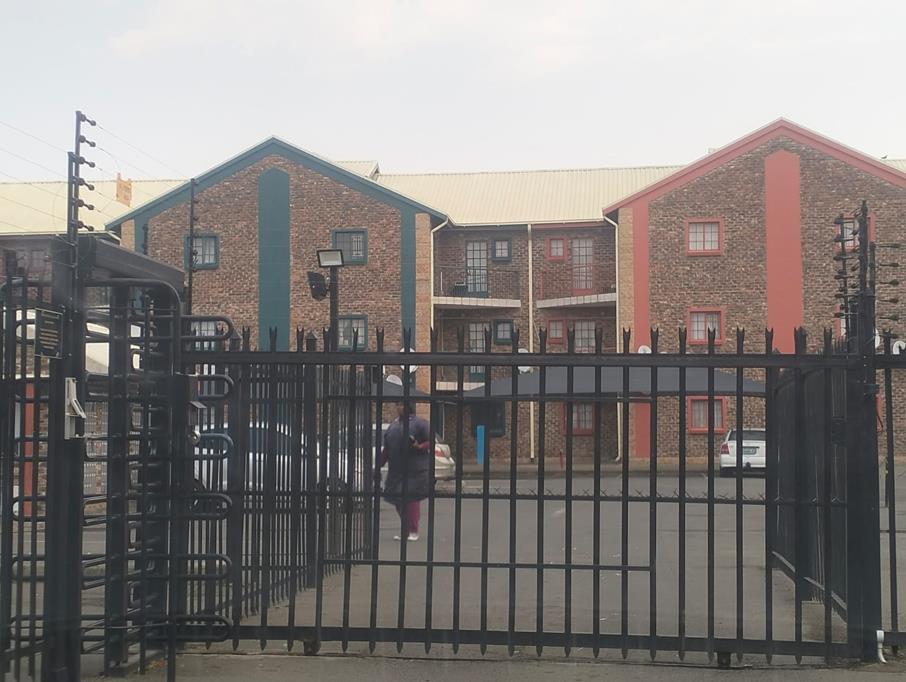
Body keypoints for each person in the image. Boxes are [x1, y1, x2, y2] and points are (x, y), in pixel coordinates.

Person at [378, 401, 431, 541]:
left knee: (411, 500)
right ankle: (406, 529)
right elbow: (387, 449)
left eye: (402, 404)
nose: (399, 407)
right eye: (398, 405)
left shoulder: (420, 423)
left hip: (415, 469)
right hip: (396, 470)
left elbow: (430, 442)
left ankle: (413, 530)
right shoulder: (393, 426)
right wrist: (379, 464)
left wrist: (419, 446)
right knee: (397, 499)